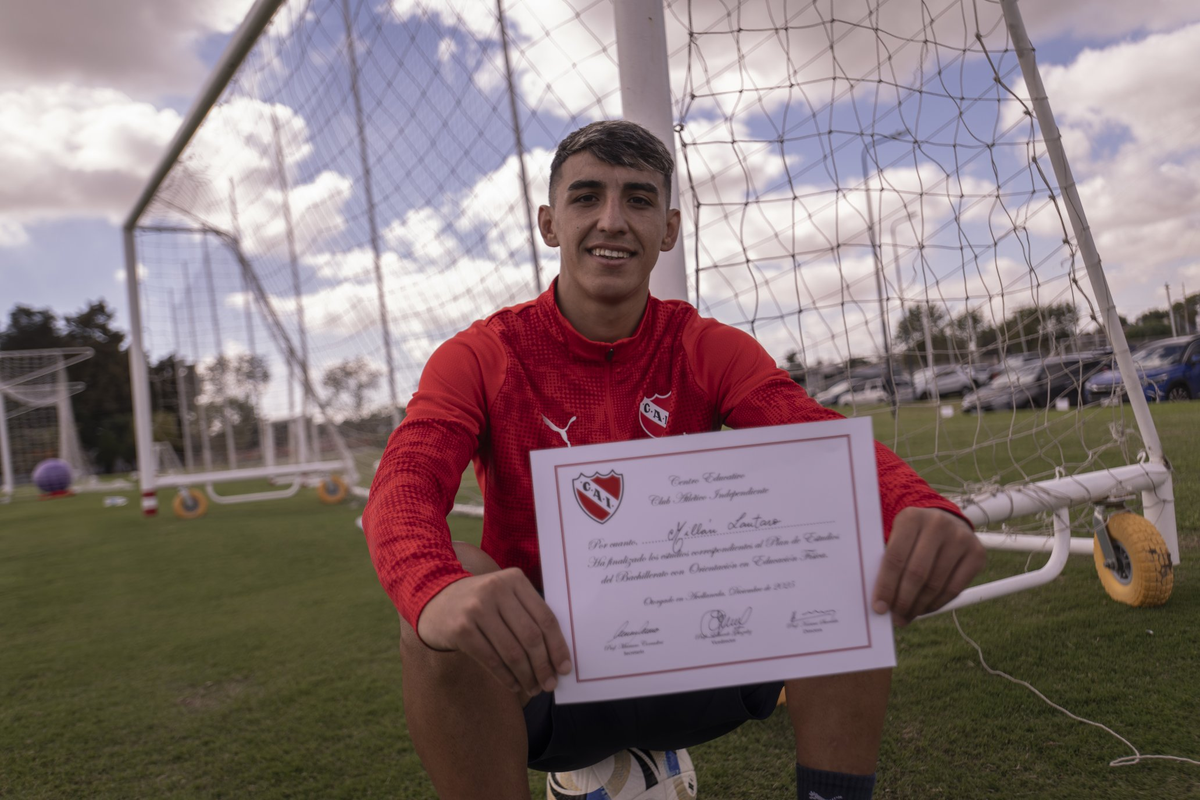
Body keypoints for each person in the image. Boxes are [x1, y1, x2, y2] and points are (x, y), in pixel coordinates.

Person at [362, 120, 985, 800]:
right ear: (548, 222)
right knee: (453, 587)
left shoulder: (704, 346)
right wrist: (435, 589)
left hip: (703, 655)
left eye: (637, 199)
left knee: (842, 524)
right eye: (586, 197)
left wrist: (920, 505)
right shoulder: (483, 355)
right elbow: (406, 478)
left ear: (669, 228)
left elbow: (808, 430)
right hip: (543, 674)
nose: (611, 220)